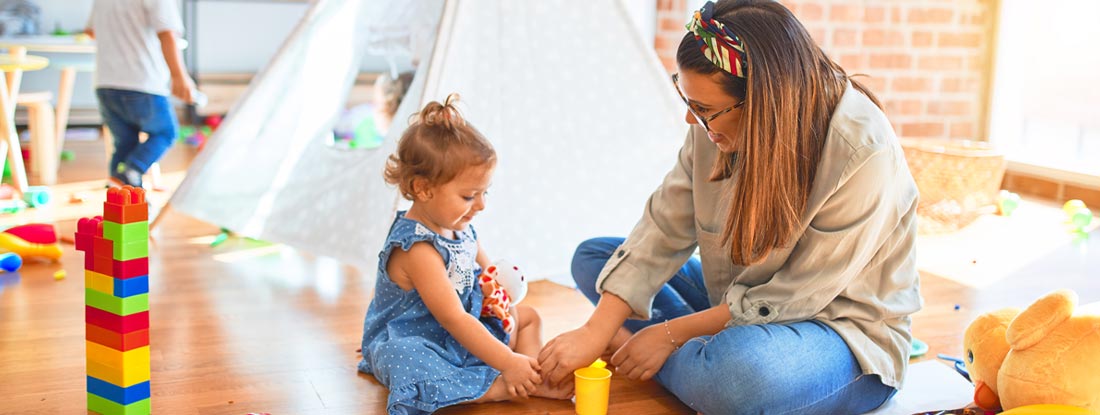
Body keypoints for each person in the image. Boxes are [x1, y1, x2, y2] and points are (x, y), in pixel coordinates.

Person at [538, 1, 922, 414]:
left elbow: (791, 300)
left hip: (838, 335)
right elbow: (664, 224)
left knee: (739, 378)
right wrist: (596, 331)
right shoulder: (715, 125)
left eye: (702, 110)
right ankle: (688, 356)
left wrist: (666, 334)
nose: (691, 120)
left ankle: (673, 356)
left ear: (763, 103)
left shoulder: (862, 151)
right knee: (594, 257)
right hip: (741, 302)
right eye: (687, 101)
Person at [359, 94, 570, 415]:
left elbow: (488, 273)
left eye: (485, 192)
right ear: (423, 189)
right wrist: (506, 360)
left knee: (527, 317)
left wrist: (498, 296)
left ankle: (532, 376)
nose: (481, 205)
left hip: (461, 330)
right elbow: (452, 317)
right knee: (405, 358)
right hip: (425, 337)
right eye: (470, 195)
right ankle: (497, 386)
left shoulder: (458, 225)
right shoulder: (418, 249)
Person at [86, 0, 196, 188]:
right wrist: (179, 76)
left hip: (105, 83)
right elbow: (168, 33)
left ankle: (118, 196)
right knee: (165, 132)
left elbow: (90, 31)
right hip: (142, 82)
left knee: (125, 143)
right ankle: (133, 171)